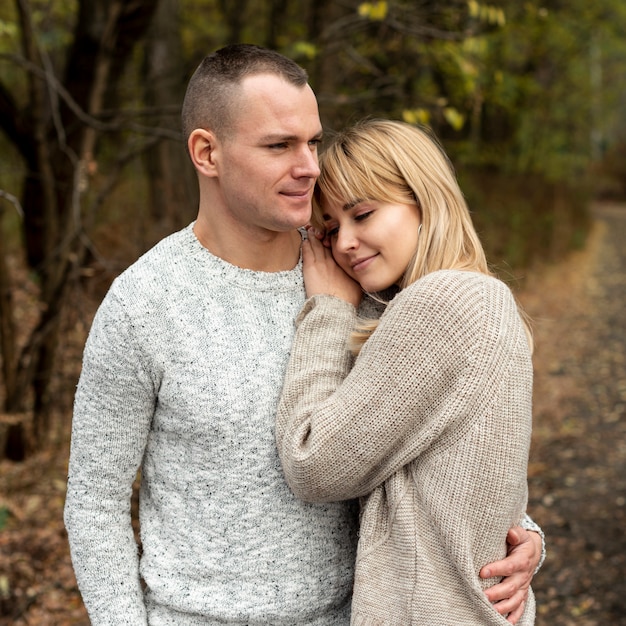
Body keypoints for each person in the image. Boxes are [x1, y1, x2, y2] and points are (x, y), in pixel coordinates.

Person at [64, 45, 542, 625]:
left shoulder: (364, 277)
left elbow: (446, 447)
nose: (310, 166)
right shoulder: (145, 304)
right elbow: (95, 503)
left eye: (313, 142)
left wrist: (521, 537)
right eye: (279, 145)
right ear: (207, 152)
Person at [276, 119, 541, 625]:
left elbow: (313, 463)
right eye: (330, 229)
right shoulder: (481, 297)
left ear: (424, 200)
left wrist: (328, 308)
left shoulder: (443, 303)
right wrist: (533, 539)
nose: (345, 244)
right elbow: (471, 480)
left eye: (363, 214)